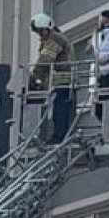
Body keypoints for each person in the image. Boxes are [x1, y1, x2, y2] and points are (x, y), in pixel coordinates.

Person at [27, 13, 73, 143]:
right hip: (60, 81)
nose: (40, 35)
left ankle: (58, 137)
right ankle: (56, 136)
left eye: (41, 31)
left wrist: (34, 76)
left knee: (59, 111)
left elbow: (46, 59)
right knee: (58, 110)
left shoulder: (54, 39)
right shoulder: (57, 38)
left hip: (61, 80)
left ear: (48, 28)